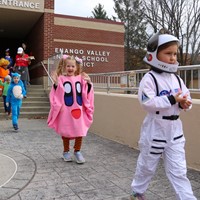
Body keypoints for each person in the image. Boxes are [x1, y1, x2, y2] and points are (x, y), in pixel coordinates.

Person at [130, 28, 197, 200]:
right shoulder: (149, 79)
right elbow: (148, 103)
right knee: (147, 166)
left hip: (175, 131)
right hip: (155, 130)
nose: (173, 58)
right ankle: (137, 192)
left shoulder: (176, 79)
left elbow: (186, 96)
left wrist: (185, 103)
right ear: (154, 54)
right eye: (168, 53)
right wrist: (173, 99)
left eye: (175, 54)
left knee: (179, 170)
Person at [47, 55, 94, 164]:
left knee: (80, 130)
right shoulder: (62, 79)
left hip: (78, 109)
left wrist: (89, 83)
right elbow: (56, 93)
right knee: (66, 131)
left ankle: (77, 151)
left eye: (73, 66)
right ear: (64, 67)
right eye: (68, 66)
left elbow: (86, 91)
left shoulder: (80, 79)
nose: (70, 68)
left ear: (76, 67)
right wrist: (56, 84)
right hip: (66, 111)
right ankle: (66, 151)